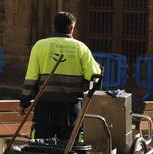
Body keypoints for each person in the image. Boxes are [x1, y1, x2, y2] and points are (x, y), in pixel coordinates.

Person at [21, 11, 102, 142]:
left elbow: (31, 78)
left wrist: (24, 102)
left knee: (41, 147)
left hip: (45, 107)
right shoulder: (81, 48)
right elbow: (95, 76)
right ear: (71, 28)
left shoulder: (39, 46)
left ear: (54, 26)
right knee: (68, 147)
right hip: (71, 108)